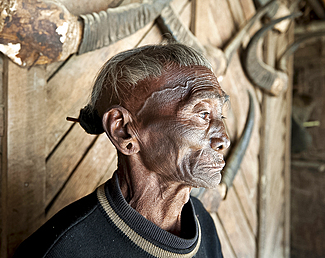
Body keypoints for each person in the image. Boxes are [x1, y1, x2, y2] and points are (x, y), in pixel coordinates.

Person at [13, 43, 230, 258]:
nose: (224, 139)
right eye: (202, 114)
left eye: (222, 117)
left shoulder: (202, 224)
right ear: (124, 131)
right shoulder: (60, 250)